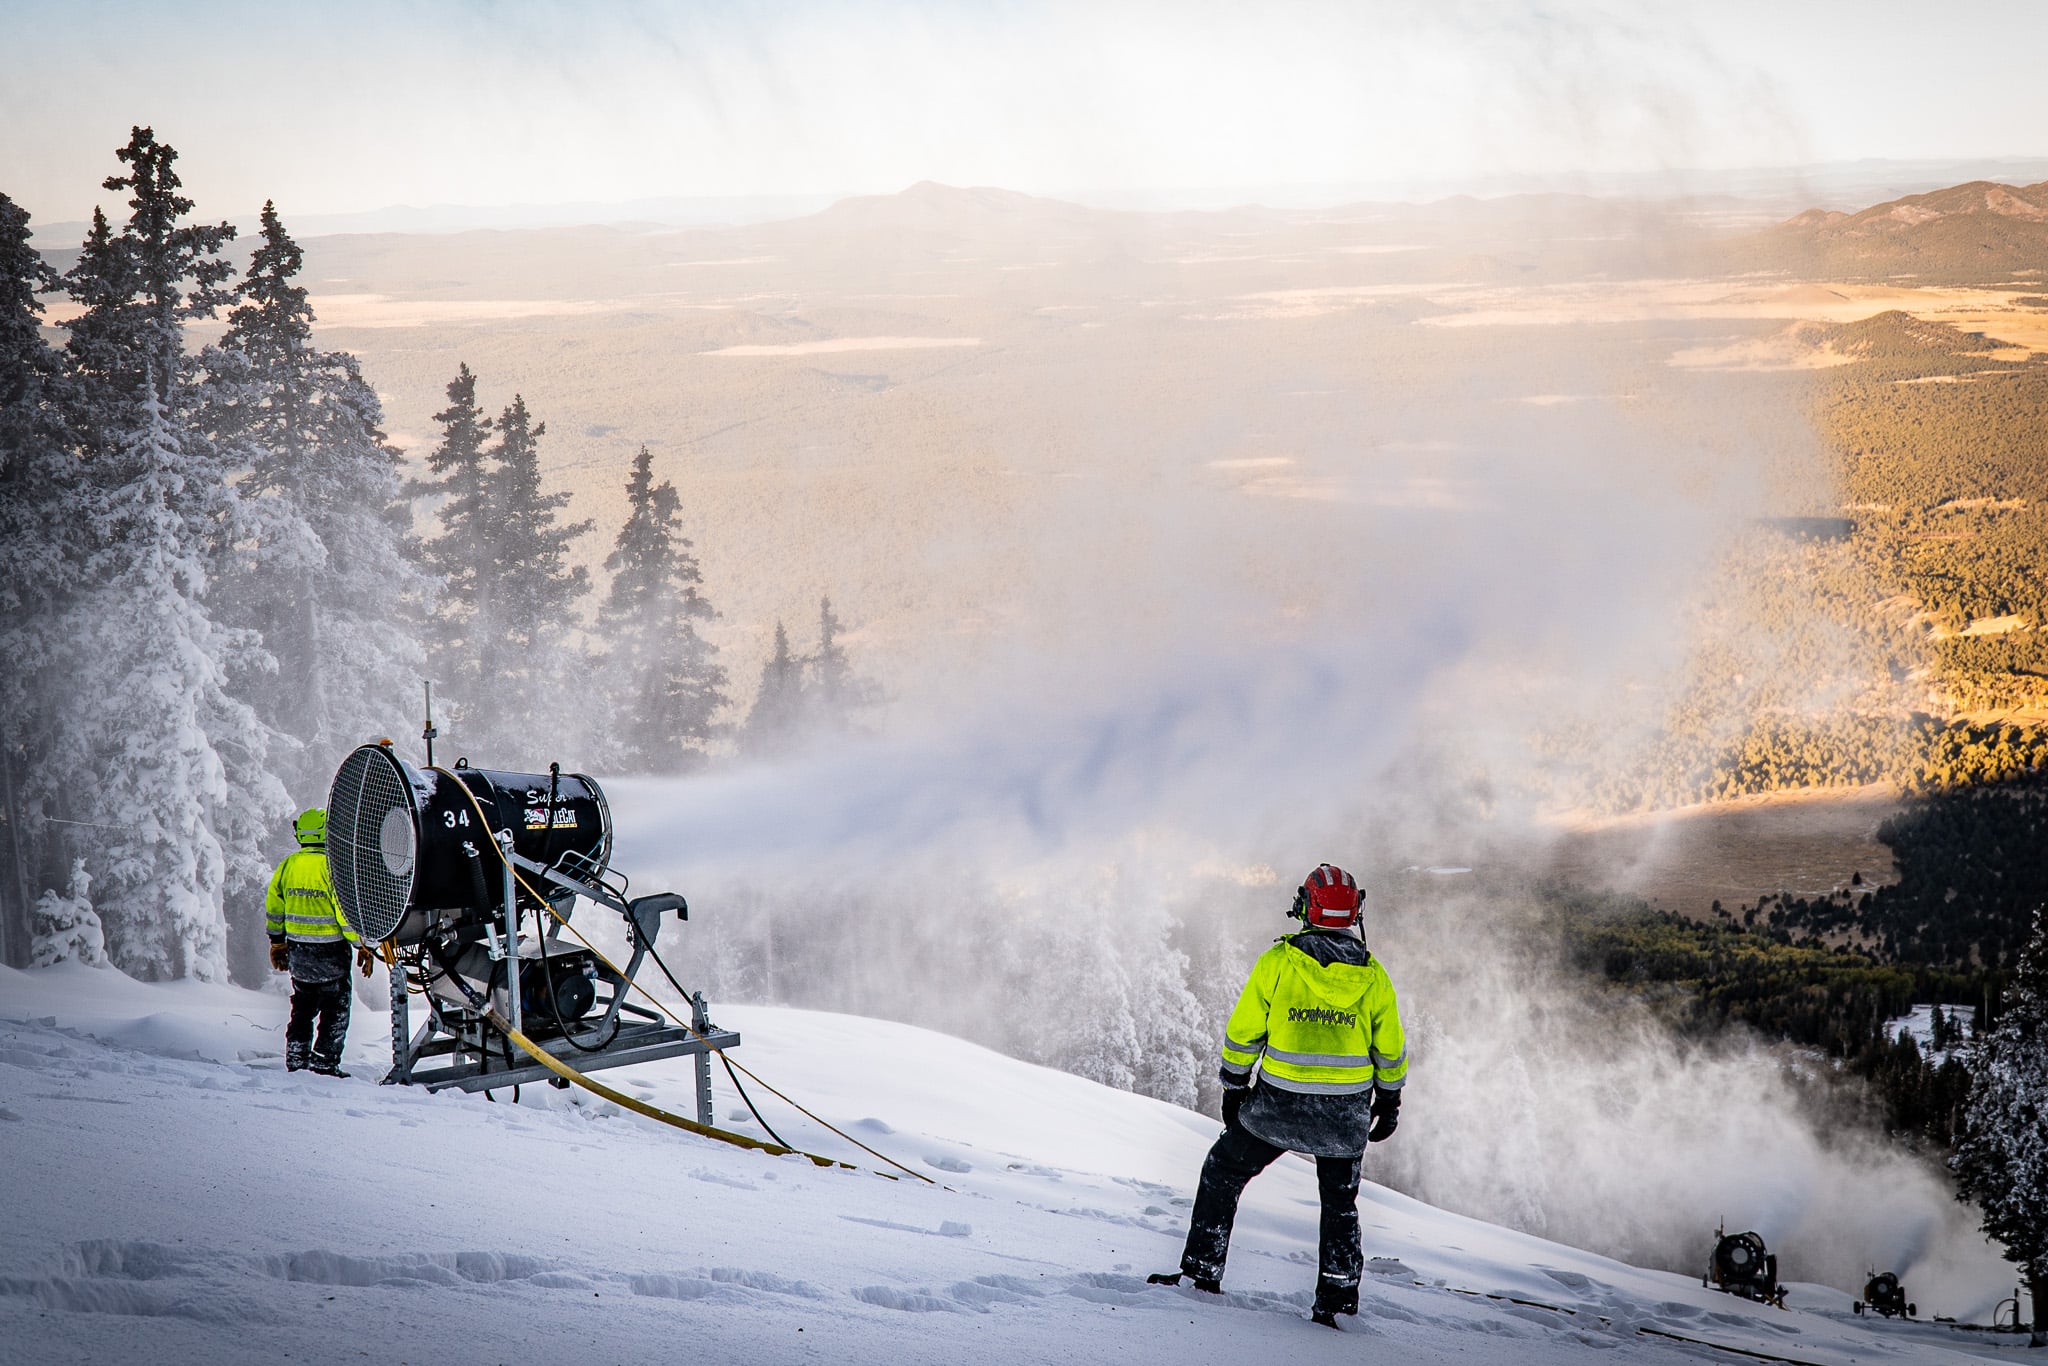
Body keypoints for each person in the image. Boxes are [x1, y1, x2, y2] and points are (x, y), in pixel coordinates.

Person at [1150, 863, 1406, 1328]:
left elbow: (1244, 1032)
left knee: (1223, 1171)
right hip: (1344, 1115)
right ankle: (1337, 1304)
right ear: (1354, 913)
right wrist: (1389, 1101)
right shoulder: (1374, 976)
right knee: (1340, 1205)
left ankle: (1202, 1272)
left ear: (1306, 907)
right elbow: (1389, 1051)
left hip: (1277, 1107)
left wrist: (1234, 1086)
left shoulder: (1278, 963)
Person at [265, 807, 373, 1076]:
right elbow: (343, 913)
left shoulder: (288, 866)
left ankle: (296, 1059)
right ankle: (324, 1064)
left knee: (302, 1009)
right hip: (331, 953)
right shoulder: (332, 867)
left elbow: (274, 906)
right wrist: (363, 945)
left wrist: (277, 942)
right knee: (335, 1011)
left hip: (298, 953)